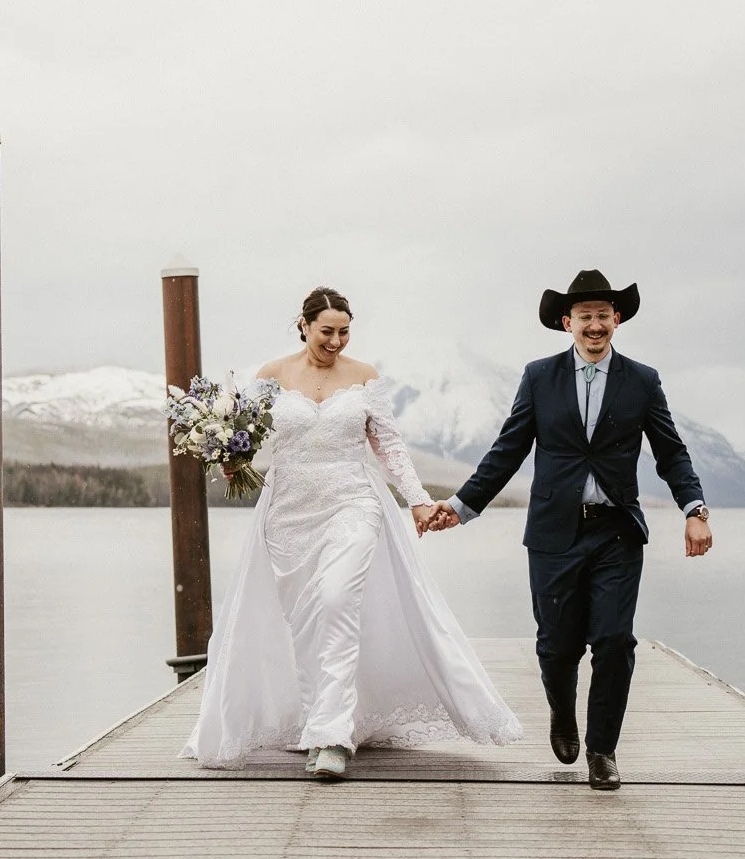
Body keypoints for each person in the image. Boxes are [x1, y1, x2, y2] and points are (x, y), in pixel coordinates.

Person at [183, 286, 521, 779]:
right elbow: (248, 443)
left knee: (339, 601)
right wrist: (231, 460)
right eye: (327, 331)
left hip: (353, 503)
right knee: (305, 623)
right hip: (288, 516)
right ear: (303, 325)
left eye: (344, 332)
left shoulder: (364, 378)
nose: (336, 341)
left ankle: (333, 738)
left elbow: (390, 447)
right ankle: (317, 717)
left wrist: (420, 501)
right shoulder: (270, 377)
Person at [423, 269, 712, 790]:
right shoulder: (539, 377)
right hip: (554, 535)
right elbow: (508, 449)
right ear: (566, 322)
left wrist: (694, 509)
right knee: (557, 647)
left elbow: (671, 451)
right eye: (585, 317)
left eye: (604, 315)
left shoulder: (642, 381)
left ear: (617, 320)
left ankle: (603, 750)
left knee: (614, 640)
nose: (595, 325)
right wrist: (462, 506)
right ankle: (561, 712)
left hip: (617, 534)